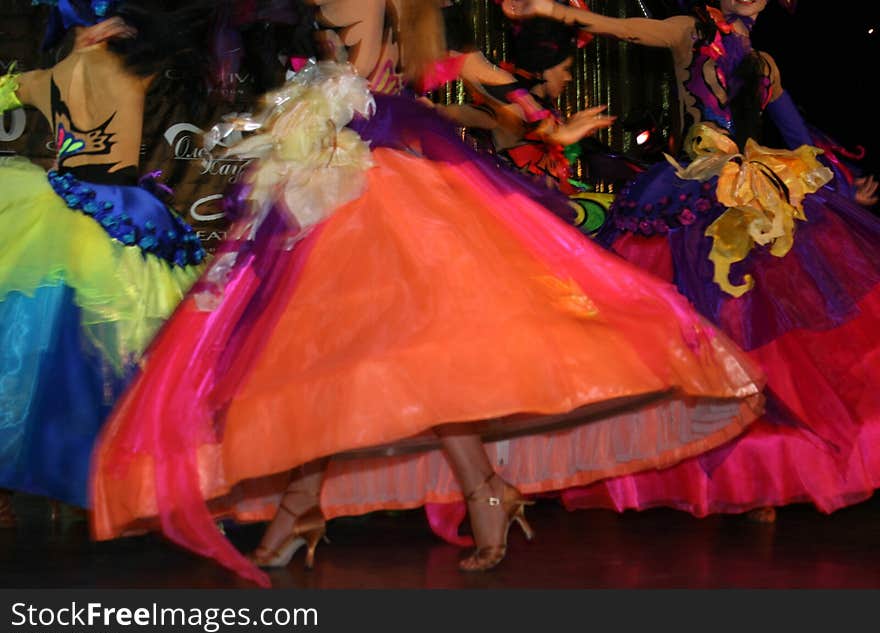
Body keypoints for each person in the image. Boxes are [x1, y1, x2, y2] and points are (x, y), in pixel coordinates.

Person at [89, 0, 764, 588]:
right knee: (323, 348)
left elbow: (352, 77)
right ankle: (372, 496)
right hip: (326, 175)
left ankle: (450, 491)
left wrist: (536, 119)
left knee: (387, 348)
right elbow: (435, 70)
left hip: (356, 184)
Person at [504, 0, 880, 521]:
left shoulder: (763, 62)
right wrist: (551, 8)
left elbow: (797, 136)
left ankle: (757, 476)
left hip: (756, 201)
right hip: (693, 195)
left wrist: (836, 187)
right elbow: (620, 26)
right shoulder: (689, 32)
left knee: (753, 330)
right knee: (692, 332)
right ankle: (705, 459)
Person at [0, 0, 208, 524]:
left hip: (59, 211)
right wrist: (139, 31)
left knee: (55, 350)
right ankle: (119, 482)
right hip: (122, 212)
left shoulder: (48, 76)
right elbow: (188, 43)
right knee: (124, 353)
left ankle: (51, 478)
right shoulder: (133, 66)